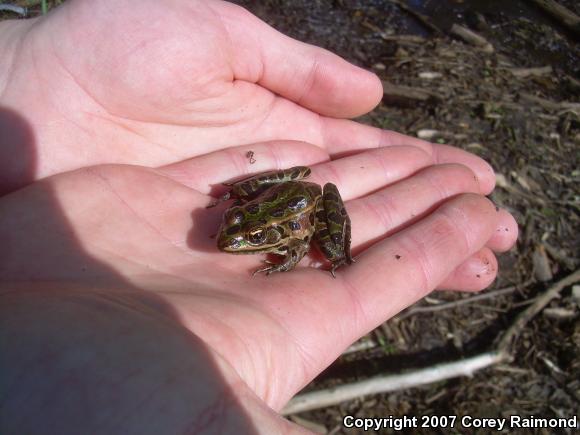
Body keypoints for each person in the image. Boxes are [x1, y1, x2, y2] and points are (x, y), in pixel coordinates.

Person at [0, 0, 518, 433]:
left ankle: (330, 247)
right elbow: (250, 224)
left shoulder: (280, 229)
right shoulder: (238, 223)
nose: (230, 240)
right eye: (236, 232)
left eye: (242, 236)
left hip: (306, 203)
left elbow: (293, 245)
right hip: (283, 190)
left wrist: (282, 259)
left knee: (325, 249)